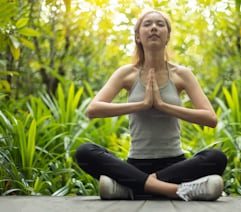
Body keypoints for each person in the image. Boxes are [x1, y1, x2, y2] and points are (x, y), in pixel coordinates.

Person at [76, 10, 227, 201]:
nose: (154, 27)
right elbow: (93, 110)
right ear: (138, 36)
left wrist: (164, 106)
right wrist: (142, 104)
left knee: (216, 157)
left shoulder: (182, 74)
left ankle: (130, 188)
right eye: (147, 24)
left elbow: (210, 119)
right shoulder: (126, 74)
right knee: (85, 152)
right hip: (136, 164)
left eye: (160, 24)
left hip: (175, 165)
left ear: (168, 36)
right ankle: (175, 190)